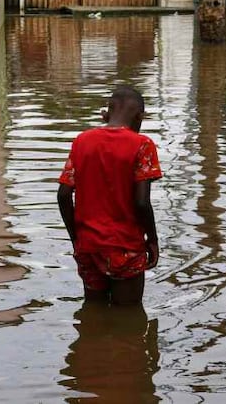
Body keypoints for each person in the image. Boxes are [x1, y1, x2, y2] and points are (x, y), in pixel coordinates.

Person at [57, 85, 163, 305]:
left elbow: (64, 195)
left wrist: (76, 238)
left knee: (93, 312)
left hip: (88, 247)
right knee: (128, 320)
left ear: (107, 112)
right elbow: (142, 203)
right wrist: (152, 241)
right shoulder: (142, 145)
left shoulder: (81, 141)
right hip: (126, 248)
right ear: (140, 116)